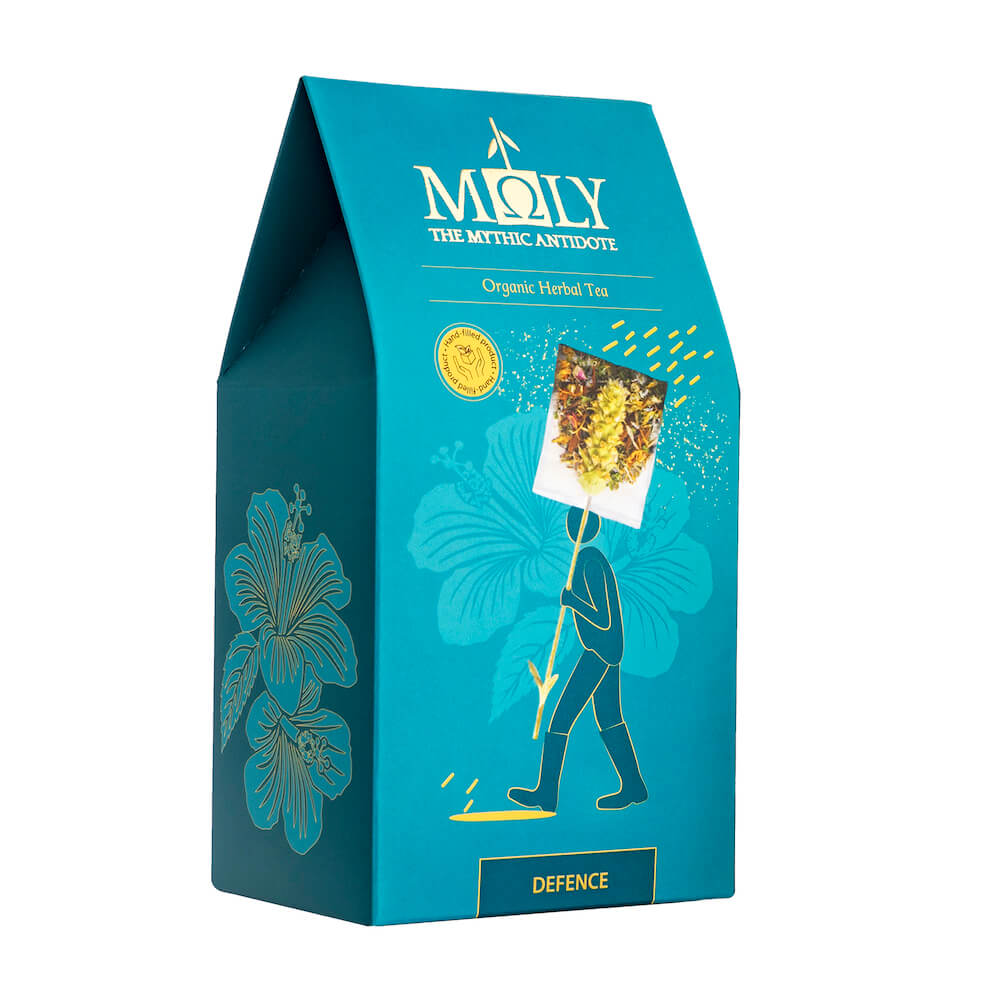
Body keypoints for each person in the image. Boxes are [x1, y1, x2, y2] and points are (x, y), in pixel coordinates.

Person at [508, 507, 648, 812]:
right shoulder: (590, 559)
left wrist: (573, 601)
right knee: (609, 718)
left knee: (561, 719)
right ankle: (634, 786)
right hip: (607, 651)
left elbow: (604, 619)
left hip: (599, 652)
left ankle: (546, 794)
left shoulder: (589, 561)